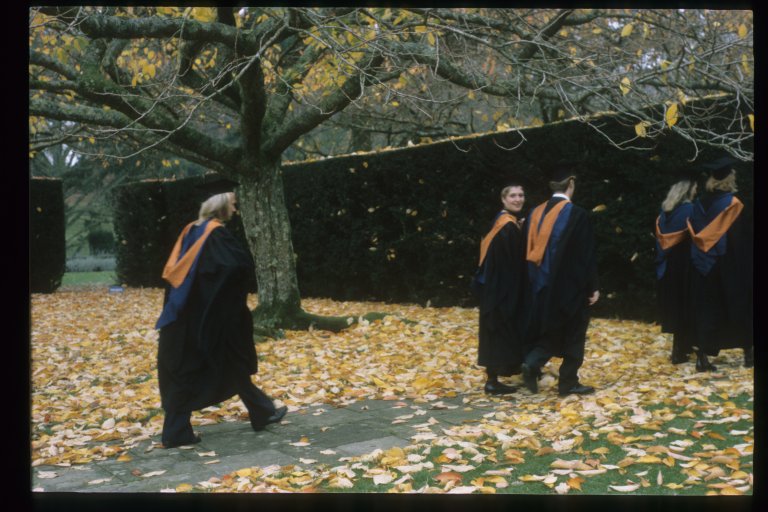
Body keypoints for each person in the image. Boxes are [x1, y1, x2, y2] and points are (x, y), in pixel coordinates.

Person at [155, 178, 286, 448]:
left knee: (228, 362)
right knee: (193, 368)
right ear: (222, 204)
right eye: (234, 204)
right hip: (207, 317)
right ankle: (176, 433)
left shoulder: (191, 230)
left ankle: (263, 411)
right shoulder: (216, 234)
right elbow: (233, 269)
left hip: (186, 315)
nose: (235, 210)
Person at [520, 166, 599, 396]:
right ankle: (568, 382)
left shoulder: (535, 213)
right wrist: (593, 286)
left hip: (538, 287)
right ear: (571, 184)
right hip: (569, 288)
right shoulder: (576, 214)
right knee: (574, 333)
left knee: (552, 330)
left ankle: (533, 362)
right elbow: (586, 256)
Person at [687, 156, 753, 371]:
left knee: (707, 309)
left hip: (703, 265)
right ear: (730, 179)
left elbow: (697, 233)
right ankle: (749, 353)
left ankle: (703, 358)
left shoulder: (698, 203)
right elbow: (739, 240)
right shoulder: (733, 205)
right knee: (740, 305)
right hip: (729, 264)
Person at [472, 183, 527, 395]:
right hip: (501, 290)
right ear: (503, 200)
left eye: (521, 195)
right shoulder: (507, 226)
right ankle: (492, 381)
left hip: (494, 288)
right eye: (513, 196)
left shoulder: (502, 222)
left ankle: (498, 374)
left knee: (495, 331)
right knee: (497, 331)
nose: (518, 199)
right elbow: (515, 260)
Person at [655, 173, 698, 364]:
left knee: (676, 307)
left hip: (668, 265)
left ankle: (679, 350)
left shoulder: (665, 212)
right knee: (687, 307)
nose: (697, 190)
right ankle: (681, 351)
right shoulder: (691, 210)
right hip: (685, 265)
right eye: (695, 187)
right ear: (688, 191)